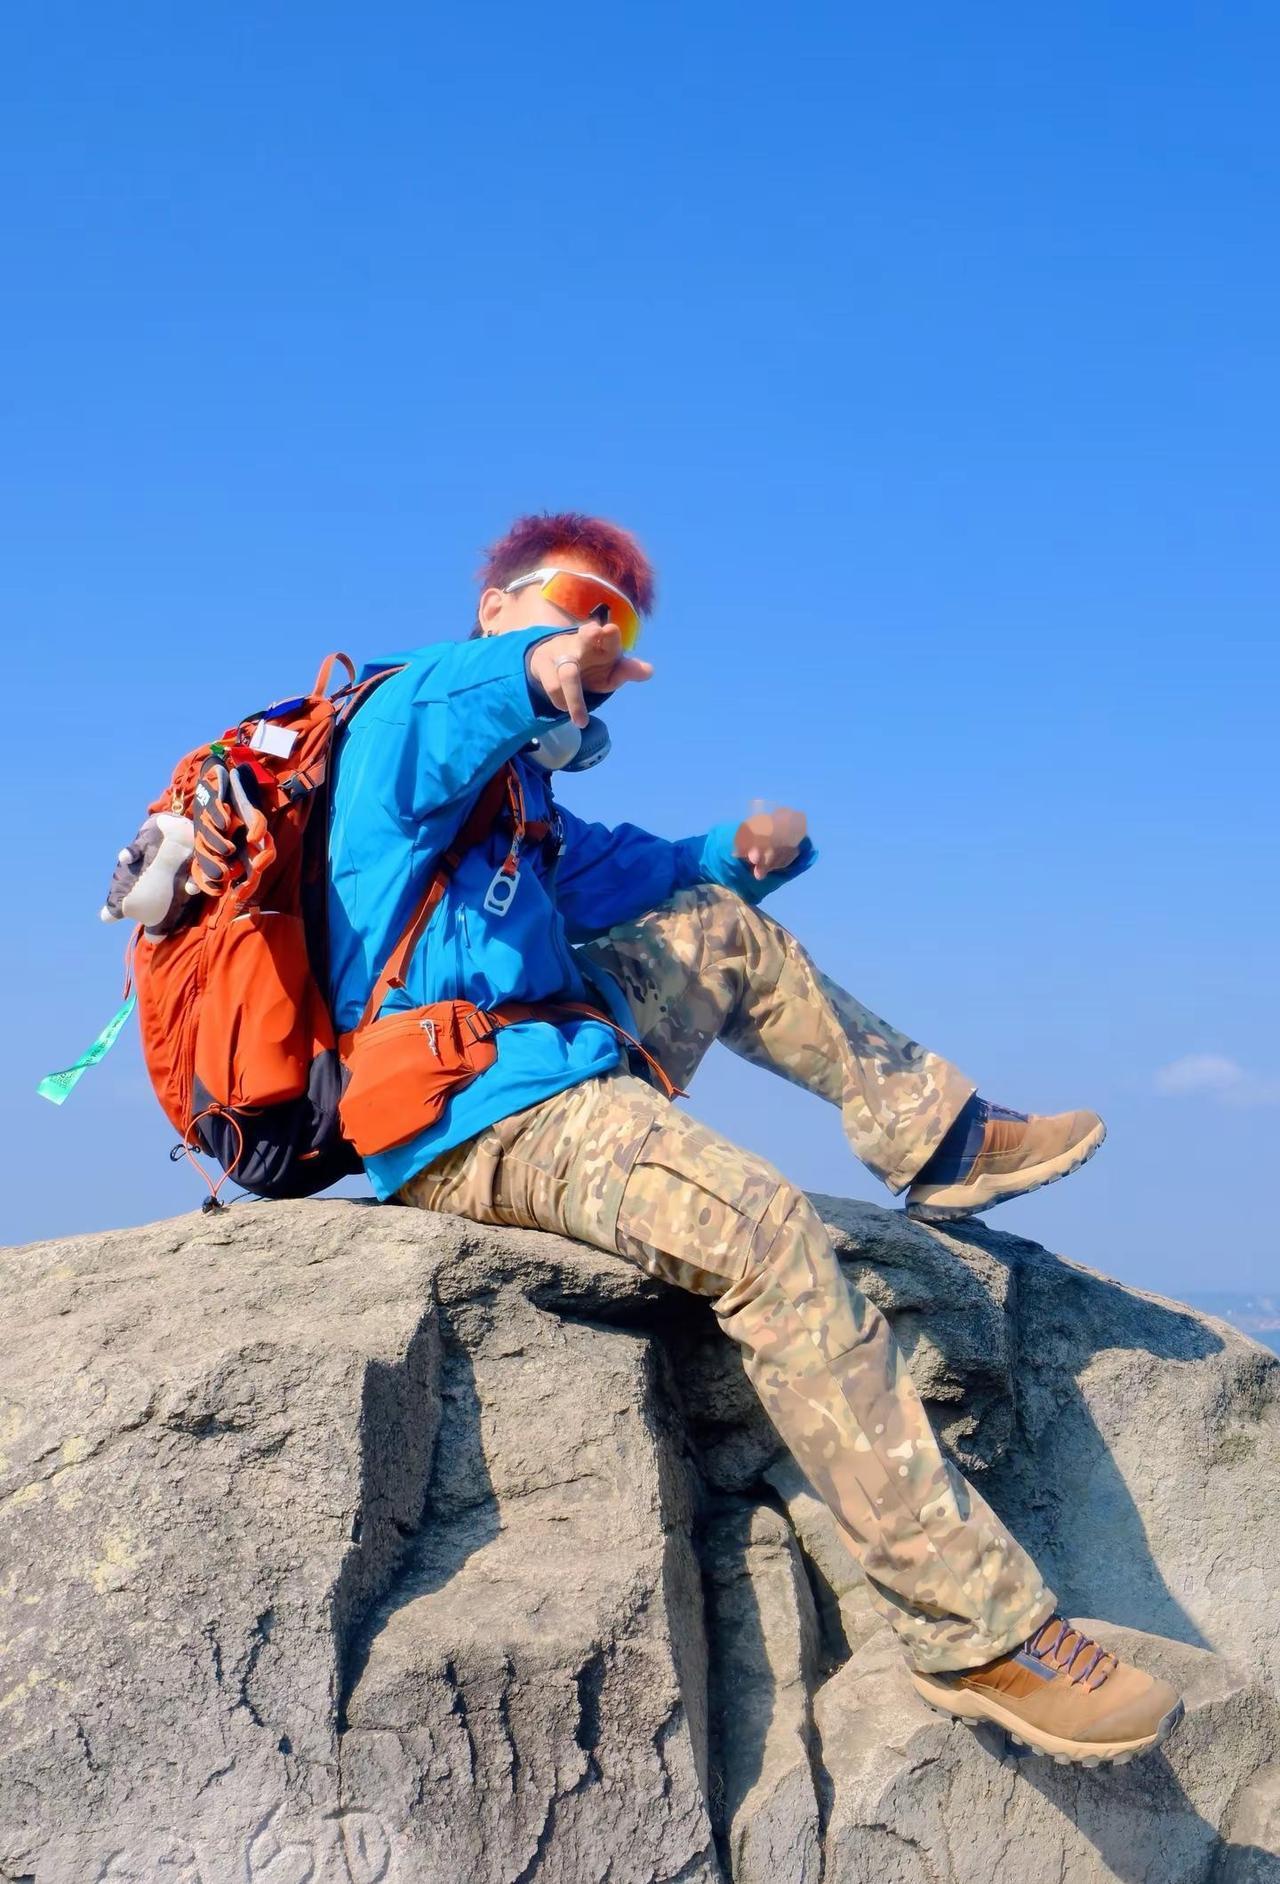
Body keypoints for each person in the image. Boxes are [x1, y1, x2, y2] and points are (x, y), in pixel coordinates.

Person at [325, 511, 1183, 1767]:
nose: (598, 629)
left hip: (548, 1066)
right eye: (575, 602)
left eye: (619, 617)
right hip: (472, 1114)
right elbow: (462, 698)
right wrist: (539, 667)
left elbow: (645, 871)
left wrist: (742, 854)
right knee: (767, 1231)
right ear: (498, 605)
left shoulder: (517, 807)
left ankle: (935, 1136)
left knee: (719, 922)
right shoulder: (413, 713)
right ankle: (975, 1632)